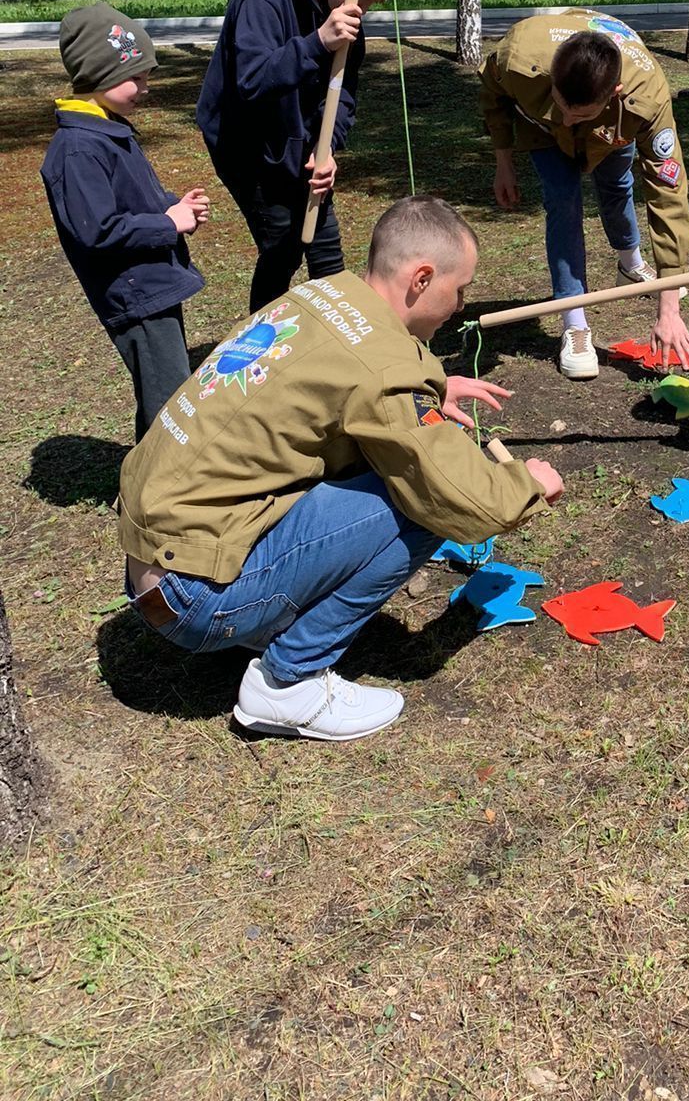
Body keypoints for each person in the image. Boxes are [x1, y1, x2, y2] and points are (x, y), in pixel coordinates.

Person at [117, 195, 564, 742]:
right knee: (422, 503)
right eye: (459, 288)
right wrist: (529, 484)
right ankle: (286, 685)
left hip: (154, 562)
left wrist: (432, 388)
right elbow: (461, 498)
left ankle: (268, 613)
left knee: (385, 467)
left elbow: (333, 381)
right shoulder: (383, 368)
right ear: (422, 278)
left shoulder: (318, 295)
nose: (459, 304)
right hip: (195, 598)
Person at [195, 0, 407, 313]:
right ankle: (260, 348)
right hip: (247, 144)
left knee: (326, 250)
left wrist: (328, 146)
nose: (364, 9)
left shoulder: (346, 19)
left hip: (301, 138)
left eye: (373, 3)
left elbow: (342, 92)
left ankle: (337, 342)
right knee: (283, 249)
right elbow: (252, 81)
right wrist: (319, 42)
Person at [479, 9, 689, 378]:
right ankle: (574, 323)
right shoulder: (518, 58)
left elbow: (668, 194)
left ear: (614, 93)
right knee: (562, 202)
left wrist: (669, 308)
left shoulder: (645, 100)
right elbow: (492, 96)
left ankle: (630, 264)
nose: (568, 119)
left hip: (613, 130)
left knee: (616, 183)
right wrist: (504, 160)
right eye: (562, 105)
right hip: (540, 128)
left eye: (578, 115)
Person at [40, 4, 210, 441]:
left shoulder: (108, 129)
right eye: (136, 77)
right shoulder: (78, 149)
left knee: (164, 394)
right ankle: (160, 499)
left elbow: (133, 202)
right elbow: (97, 231)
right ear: (97, 73)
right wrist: (168, 224)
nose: (146, 88)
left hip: (152, 284)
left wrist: (176, 207)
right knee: (171, 406)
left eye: (147, 76)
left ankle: (145, 485)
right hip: (134, 296)